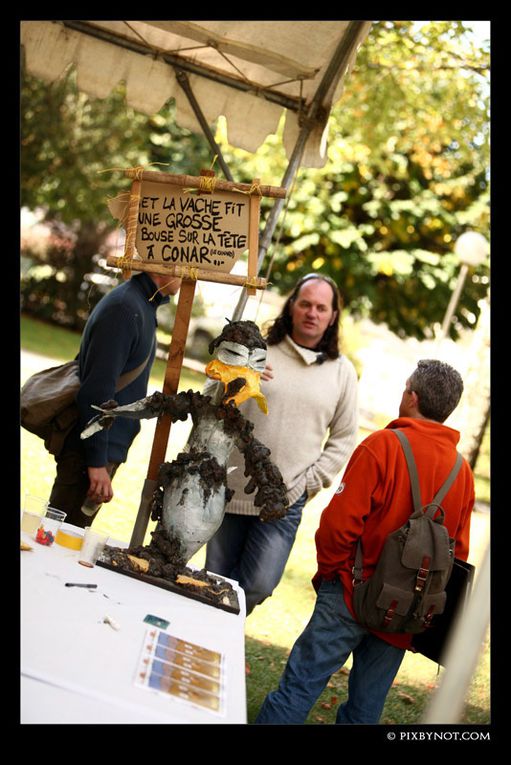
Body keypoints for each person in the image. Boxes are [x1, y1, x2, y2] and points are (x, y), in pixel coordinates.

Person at [255, 359, 475, 725]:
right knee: (364, 712)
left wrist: (333, 576)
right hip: (403, 611)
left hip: (349, 594)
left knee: (298, 689)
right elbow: (457, 554)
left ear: (411, 397)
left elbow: (338, 527)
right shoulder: (462, 473)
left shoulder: (383, 446)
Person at [204, 273, 359, 615]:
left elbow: (345, 437)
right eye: (305, 303)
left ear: (333, 316)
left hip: (285, 497)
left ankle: (217, 634)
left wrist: (308, 483)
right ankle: (205, 644)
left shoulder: (342, 371)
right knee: (213, 579)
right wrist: (237, 375)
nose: (312, 313)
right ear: (292, 306)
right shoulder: (257, 350)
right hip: (230, 486)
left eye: (321, 307)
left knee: (259, 583)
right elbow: (210, 402)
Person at [48, 269, 182, 528]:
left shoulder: (140, 304)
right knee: (56, 541)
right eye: (184, 265)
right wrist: (97, 461)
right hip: (91, 450)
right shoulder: (124, 308)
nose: (191, 275)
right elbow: (96, 391)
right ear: (161, 267)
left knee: (68, 539)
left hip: (101, 448)